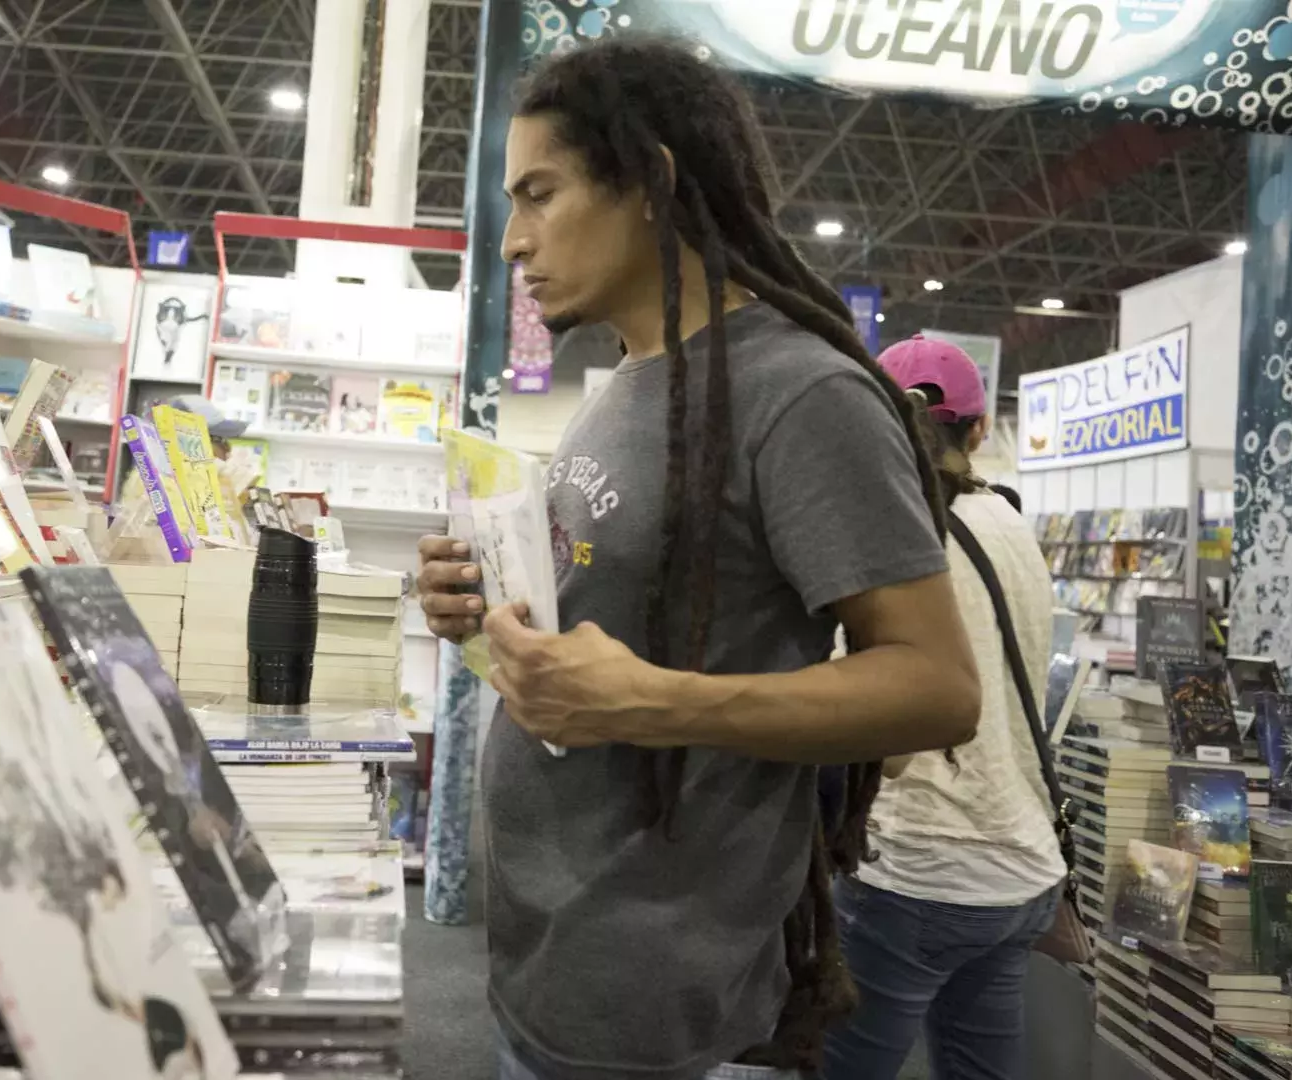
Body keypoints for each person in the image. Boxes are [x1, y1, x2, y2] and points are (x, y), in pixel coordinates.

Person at [414, 38, 984, 1080]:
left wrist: (656, 704)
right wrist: (480, 604)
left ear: (651, 184)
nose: (512, 240)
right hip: (547, 971)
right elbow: (613, 618)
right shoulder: (629, 382)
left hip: (668, 1017)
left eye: (539, 195)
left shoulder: (801, 396)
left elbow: (939, 690)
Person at [819, 336, 1066, 1080]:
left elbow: (876, 731)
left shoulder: (889, 532)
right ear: (981, 430)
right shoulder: (1016, 527)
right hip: (1020, 870)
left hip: (918, 869)